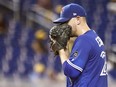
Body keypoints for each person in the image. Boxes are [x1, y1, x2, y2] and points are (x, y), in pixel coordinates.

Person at [53, 3, 108, 87]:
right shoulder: (93, 36)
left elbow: (71, 71)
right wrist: (66, 51)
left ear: (78, 19)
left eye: (65, 22)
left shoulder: (84, 40)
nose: (63, 27)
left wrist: (61, 50)